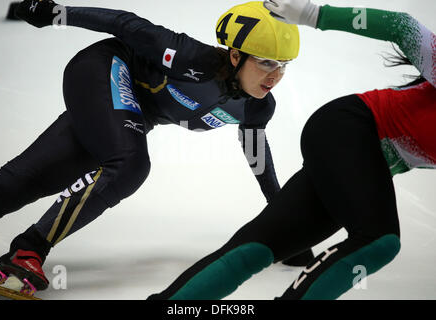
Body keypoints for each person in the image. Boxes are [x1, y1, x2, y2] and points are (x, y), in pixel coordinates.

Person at [0, 0, 313, 293]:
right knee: (129, 165)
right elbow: (124, 23)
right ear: (235, 54)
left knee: (25, 182)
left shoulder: (257, 107)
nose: (276, 76)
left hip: (126, 113)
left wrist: (285, 226)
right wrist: (53, 12)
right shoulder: (189, 58)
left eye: (284, 64)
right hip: (105, 68)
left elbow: (258, 159)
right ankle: (29, 250)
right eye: (266, 63)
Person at [148, 0, 436, 300]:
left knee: (255, 249)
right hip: (349, 129)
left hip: (353, 160)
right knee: (379, 240)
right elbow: (404, 28)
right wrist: (314, 15)